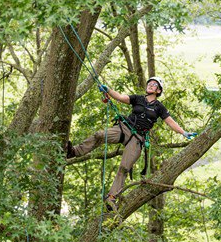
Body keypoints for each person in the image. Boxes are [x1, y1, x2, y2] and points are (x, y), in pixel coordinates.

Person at [66, 77, 197, 211]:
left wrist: (183, 132)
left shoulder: (159, 107)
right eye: (149, 83)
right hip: (125, 128)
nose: (150, 85)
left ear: (158, 91)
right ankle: (73, 152)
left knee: (124, 167)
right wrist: (108, 90)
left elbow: (170, 122)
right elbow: (121, 97)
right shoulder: (138, 99)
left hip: (138, 139)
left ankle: (112, 197)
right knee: (100, 135)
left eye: (154, 85)